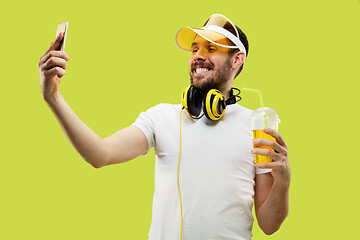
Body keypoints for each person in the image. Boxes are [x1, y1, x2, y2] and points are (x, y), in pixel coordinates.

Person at [38, 14, 290, 240]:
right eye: (194, 49)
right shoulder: (161, 117)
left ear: (237, 60)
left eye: (211, 48)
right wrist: (54, 98)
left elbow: (269, 224)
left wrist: (283, 181)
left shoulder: (256, 125)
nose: (199, 56)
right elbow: (100, 154)